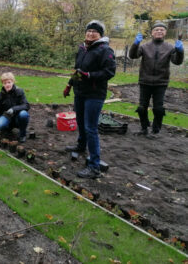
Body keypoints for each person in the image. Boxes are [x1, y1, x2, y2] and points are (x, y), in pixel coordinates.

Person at [63, 20, 116, 179]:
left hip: (94, 94)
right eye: (89, 30)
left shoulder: (105, 50)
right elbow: (78, 69)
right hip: (80, 92)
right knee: (80, 122)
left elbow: (109, 72)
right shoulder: (82, 48)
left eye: (95, 31)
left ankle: (94, 166)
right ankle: (80, 146)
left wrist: (90, 76)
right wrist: (70, 84)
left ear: (100, 34)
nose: (91, 33)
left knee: (91, 128)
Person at [129, 21, 184, 135]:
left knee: (158, 109)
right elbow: (133, 55)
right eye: (156, 30)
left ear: (165, 33)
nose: (159, 31)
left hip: (161, 83)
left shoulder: (169, 47)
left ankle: (156, 127)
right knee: (141, 108)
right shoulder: (144, 46)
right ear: (152, 33)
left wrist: (180, 51)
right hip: (145, 81)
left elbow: (177, 62)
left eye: (162, 30)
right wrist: (135, 44)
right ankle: (144, 127)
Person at [0, 72, 30, 143]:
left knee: (24, 114)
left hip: (18, 117)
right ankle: (8, 127)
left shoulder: (19, 91)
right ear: (2, 84)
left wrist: (13, 109)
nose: (7, 85)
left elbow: (26, 105)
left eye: (9, 82)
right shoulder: (1, 95)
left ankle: (22, 135)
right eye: (5, 83)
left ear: (13, 82)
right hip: (7, 117)